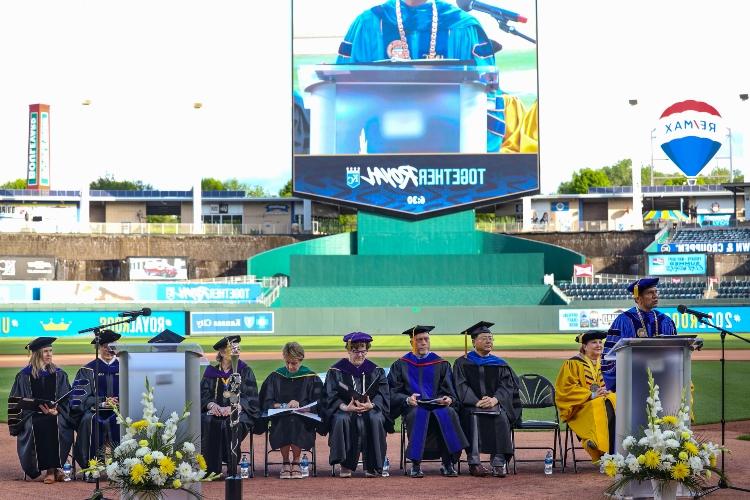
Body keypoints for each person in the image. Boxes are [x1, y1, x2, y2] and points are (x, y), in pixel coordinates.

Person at [335, 0, 537, 154]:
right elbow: (343, 99)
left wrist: (479, 166)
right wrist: (345, 166)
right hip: (380, 168)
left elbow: (488, 100)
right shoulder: (369, 25)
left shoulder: (463, 26)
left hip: (452, 167)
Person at [388, 325, 468, 478]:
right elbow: (392, 391)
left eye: (426, 339)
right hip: (414, 406)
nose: (423, 343)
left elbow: (450, 390)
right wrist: (406, 399)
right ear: (412, 342)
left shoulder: (441, 363)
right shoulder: (401, 364)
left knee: (448, 412)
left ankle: (447, 463)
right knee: (417, 414)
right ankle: (416, 464)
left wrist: (449, 399)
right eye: (419, 340)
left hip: (438, 405)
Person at [453, 321, 522, 477]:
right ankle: (474, 462)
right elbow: (460, 385)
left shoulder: (500, 364)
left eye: (491, 338)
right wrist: (475, 401)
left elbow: (508, 386)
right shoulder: (462, 363)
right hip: (470, 405)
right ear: (473, 342)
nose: (489, 341)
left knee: (502, 417)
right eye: (484, 338)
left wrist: (495, 399)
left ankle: (498, 463)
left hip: (495, 404)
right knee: (472, 416)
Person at [322, 332, 390, 478]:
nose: (360, 355)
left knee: (376, 418)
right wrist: (344, 407)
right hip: (346, 408)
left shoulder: (376, 371)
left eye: (363, 350)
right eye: (355, 350)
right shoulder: (336, 371)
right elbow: (329, 396)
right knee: (341, 418)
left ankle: (373, 466)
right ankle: (345, 464)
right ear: (348, 350)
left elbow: (383, 394)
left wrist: (373, 405)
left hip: (370, 409)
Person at [8, 337, 74, 483]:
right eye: (45, 351)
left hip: (56, 414)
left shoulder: (59, 374)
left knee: (56, 422)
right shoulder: (24, 376)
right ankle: (51, 470)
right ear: (37, 354)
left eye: (50, 351)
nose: (49, 354)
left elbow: (67, 399)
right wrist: (35, 409)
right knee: (40, 423)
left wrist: (58, 410)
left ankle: (53, 469)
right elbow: (16, 401)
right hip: (31, 415)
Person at [259, 342, 323, 479]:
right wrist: (282, 406)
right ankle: (285, 462)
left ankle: (296, 462)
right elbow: (266, 401)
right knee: (287, 418)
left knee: (295, 420)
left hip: (304, 420)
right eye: (287, 362)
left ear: (301, 359)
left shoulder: (311, 377)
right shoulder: (275, 376)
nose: (290, 366)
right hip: (280, 418)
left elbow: (320, 403)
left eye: (293, 363)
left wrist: (301, 405)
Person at [601, 277, 677, 391]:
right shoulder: (624, 321)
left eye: (656, 292)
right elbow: (609, 356)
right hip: (633, 383)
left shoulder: (665, 320)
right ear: (638, 298)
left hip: (662, 380)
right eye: (650, 293)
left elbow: (675, 352)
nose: (655, 296)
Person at [200, 335, 260, 476]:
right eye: (232, 349)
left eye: (238, 348)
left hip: (239, 412)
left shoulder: (245, 371)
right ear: (221, 352)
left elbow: (251, 397)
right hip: (215, 413)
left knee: (231, 422)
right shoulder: (211, 372)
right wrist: (211, 405)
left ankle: (231, 466)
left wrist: (234, 407)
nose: (236, 351)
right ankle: (211, 469)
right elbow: (203, 395)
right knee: (207, 420)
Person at [555, 330, 616, 462]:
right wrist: (591, 394)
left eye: (600, 342)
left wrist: (608, 390)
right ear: (584, 346)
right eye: (594, 342)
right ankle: (601, 451)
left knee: (613, 400)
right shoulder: (572, 363)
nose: (599, 345)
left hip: (604, 403)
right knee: (601, 404)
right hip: (580, 408)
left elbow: (615, 383)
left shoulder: (606, 362)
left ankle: (607, 449)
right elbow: (566, 389)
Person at [71, 329, 122, 473]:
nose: (108, 349)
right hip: (95, 411)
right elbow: (79, 400)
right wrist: (103, 402)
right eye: (104, 345)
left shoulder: (125, 367)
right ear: (98, 348)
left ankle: (122, 468)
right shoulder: (87, 369)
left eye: (111, 345)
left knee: (123, 420)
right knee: (90, 420)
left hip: (121, 411)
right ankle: (92, 467)